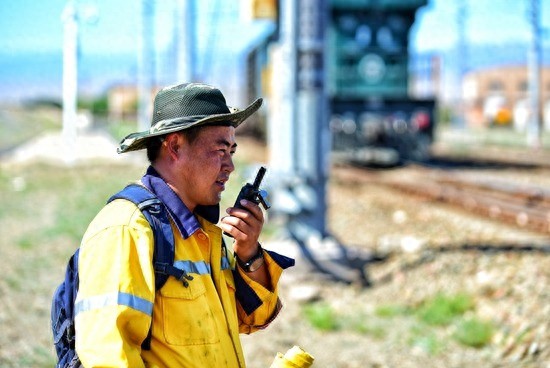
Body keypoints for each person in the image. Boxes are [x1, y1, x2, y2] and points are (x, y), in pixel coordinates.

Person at [74, 83, 295, 367]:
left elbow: (251, 319)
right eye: (220, 150)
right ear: (176, 146)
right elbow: (107, 357)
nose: (230, 166)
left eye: (232, 151)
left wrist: (249, 253)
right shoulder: (127, 230)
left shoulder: (203, 234)